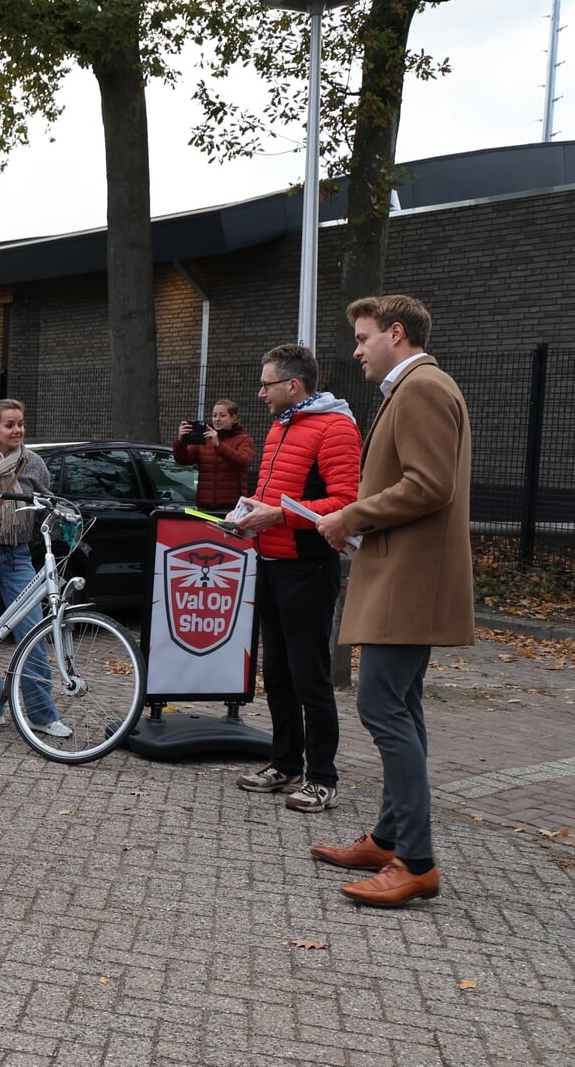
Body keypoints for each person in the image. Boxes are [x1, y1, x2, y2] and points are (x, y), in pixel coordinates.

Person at [312, 294, 471, 908]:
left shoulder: (424, 388)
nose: (356, 351)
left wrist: (353, 513)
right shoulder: (418, 387)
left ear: (395, 334)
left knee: (381, 705)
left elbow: (428, 486)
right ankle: (391, 837)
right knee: (400, 705)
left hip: (409, 579)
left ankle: (417, 860)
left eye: (363, 337)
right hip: (403, 573)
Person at [230, 344, 362, 815]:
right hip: (270, 562)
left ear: (293, 385)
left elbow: (346, 502)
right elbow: (275, 493)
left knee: (310, 676)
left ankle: (322, 777)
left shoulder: (336, 428)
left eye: (266, 384)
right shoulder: (282, 424)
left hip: (308, 567)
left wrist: (277, 515)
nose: (260, 393)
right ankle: (285, 763)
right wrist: (249, 512)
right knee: (279, 673)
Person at [0, 399, 65, 734]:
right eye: (10, 425)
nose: (17, 430)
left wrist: (59, 514)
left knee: (31, 631)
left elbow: (47, 499)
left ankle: (42, 714)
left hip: (18, 555)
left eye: (20, 423)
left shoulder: (32, 463)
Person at [173, 400, 255, 512]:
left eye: (222, 415)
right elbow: (184, 460)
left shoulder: (244, 439)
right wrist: (180, 441)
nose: (217, 419)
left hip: (232, 506)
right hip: (205, 505)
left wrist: (218, 445)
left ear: (234, 418)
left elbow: (242, 461)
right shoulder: (205, 439)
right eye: (214, 415)